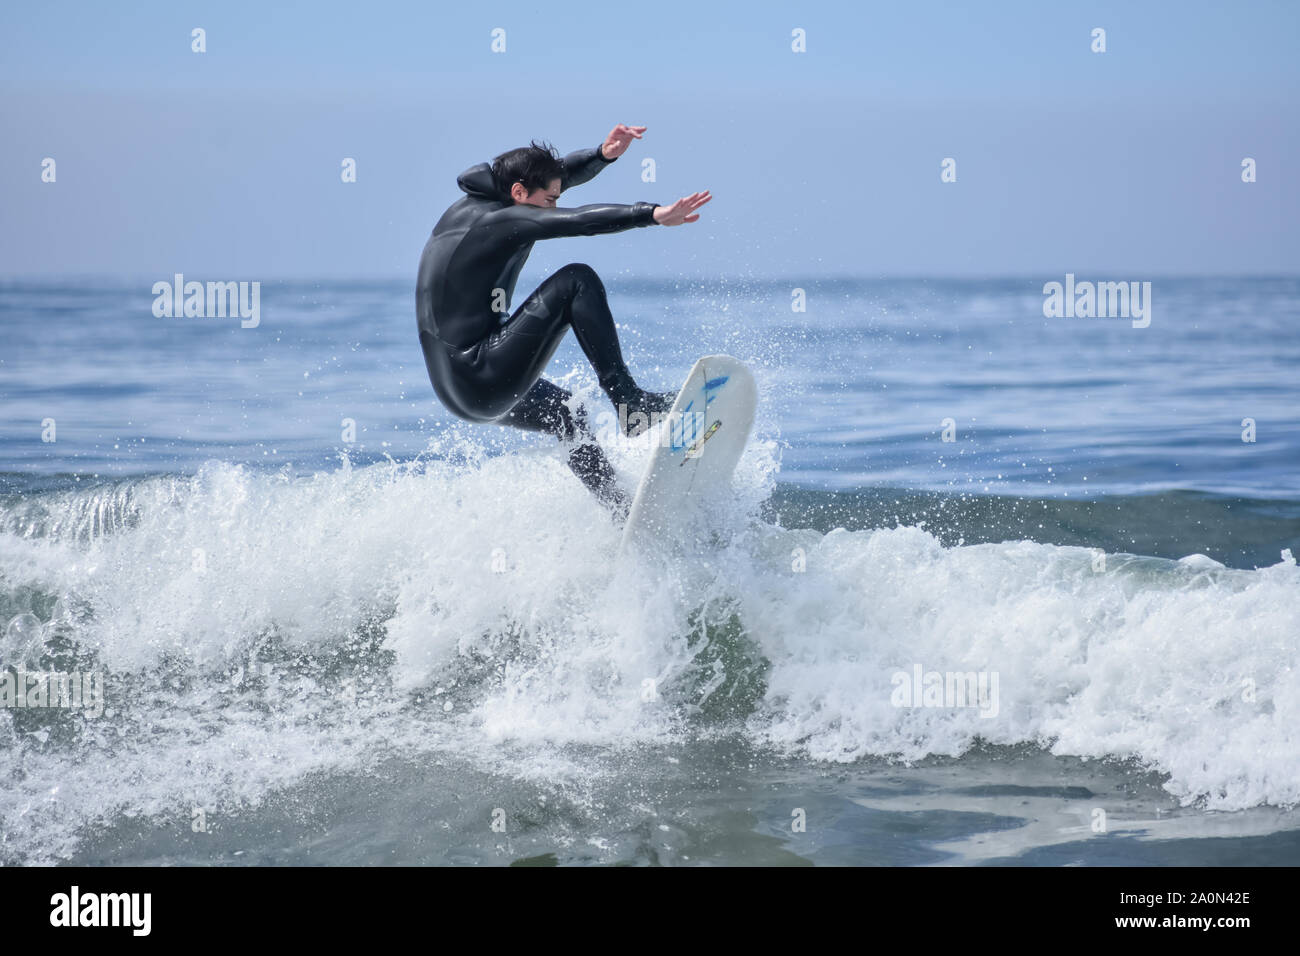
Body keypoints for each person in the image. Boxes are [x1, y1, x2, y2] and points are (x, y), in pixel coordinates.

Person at [416, 123, 711, 512]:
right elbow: (578, 221)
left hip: (459, 387)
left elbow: (562, 178)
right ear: (519, 193)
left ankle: (619, 509)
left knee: (566, 413)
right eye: (549, 199)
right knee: (576, 280)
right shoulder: (497, 222)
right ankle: (629, 404)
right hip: (479, 373)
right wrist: (654, 214)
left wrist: (602, 155)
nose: (554, 205)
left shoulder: (490, 202)